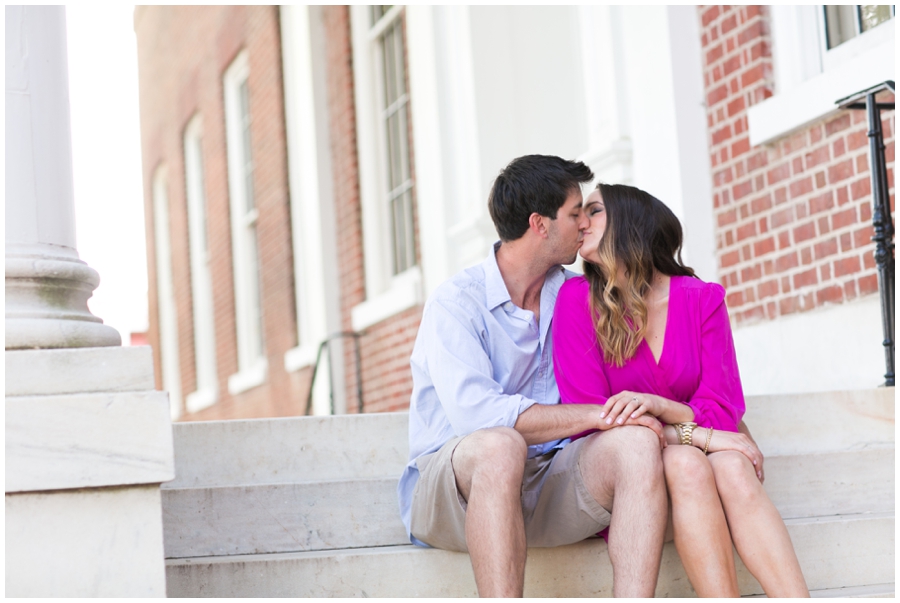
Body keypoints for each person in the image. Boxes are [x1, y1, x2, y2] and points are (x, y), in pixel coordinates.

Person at [398, 155, 671, 597]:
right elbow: (478, 416)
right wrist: (595, 415)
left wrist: (707, 431)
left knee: (635, 443)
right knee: (500, 444)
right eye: (575, 212)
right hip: (455, 492)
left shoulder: (575, 293)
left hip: (548, 477)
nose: (586, 223)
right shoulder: (456, 303)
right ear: (539, 224)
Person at [552, 182, 810, 597]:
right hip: (634, 478)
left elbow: (723, 407)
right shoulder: (577, 300)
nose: (581, 222)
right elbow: (592, 418)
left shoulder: (702, 300)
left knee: (734, 468)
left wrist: (658, 407)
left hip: (705, 467)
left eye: (594, 211)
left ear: (630, 222)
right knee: (689, 464)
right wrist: (695, 431)